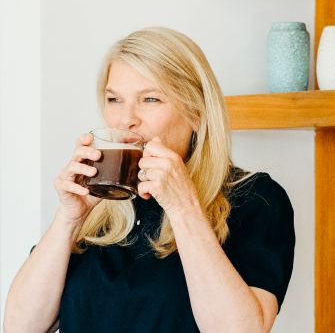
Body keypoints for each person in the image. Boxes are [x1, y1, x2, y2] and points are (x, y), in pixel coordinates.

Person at [3, 27, 295, 333]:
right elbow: (19, 326)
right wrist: (68, 219)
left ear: (196, 112)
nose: (125, 118)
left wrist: (183, 209)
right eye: (114, 99)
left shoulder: (256, 199)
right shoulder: (95, 207)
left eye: (150, 99)